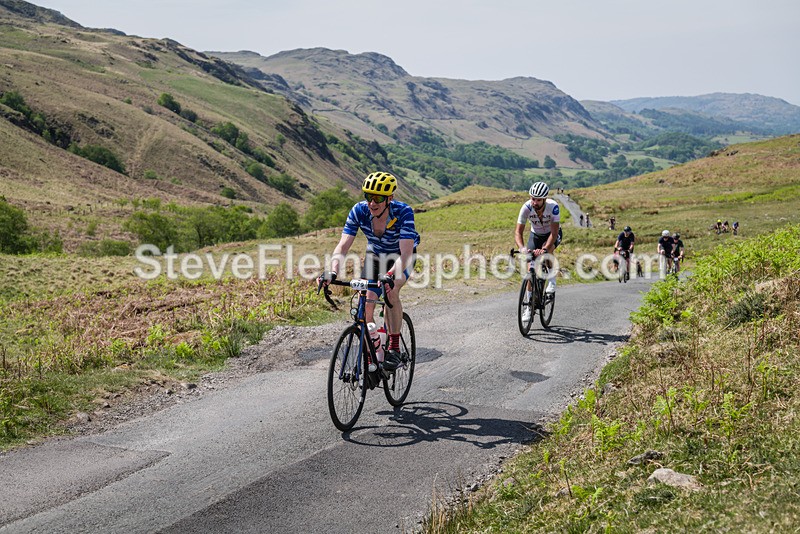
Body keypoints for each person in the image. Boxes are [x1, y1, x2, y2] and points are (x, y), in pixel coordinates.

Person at [319, 172, 420, 371]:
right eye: (368, 196)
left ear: (389, 198)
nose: (372, 203)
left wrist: (390, 276)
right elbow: (343, 246)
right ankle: (375, 350)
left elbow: (406, 253)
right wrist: (331, 272)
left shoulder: (403, 212)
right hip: (375, 255)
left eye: (379, 198)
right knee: (364, 305)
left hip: (401, 256)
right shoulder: (359, 211)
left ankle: (394, 347)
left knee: (390, 291)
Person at [515, 181, 562, 322]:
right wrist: (522, 248)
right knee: (530, 267)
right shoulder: (526, 208)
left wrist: (545, 249)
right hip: (535, 235)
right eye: (532, 198)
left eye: (538, 199)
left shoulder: (553, 207)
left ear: (544, 199)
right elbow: (518, 232)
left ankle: (552, 281)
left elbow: (554, 234)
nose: (534, 202)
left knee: (548, 254)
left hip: (551, 234)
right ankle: (529, 307)